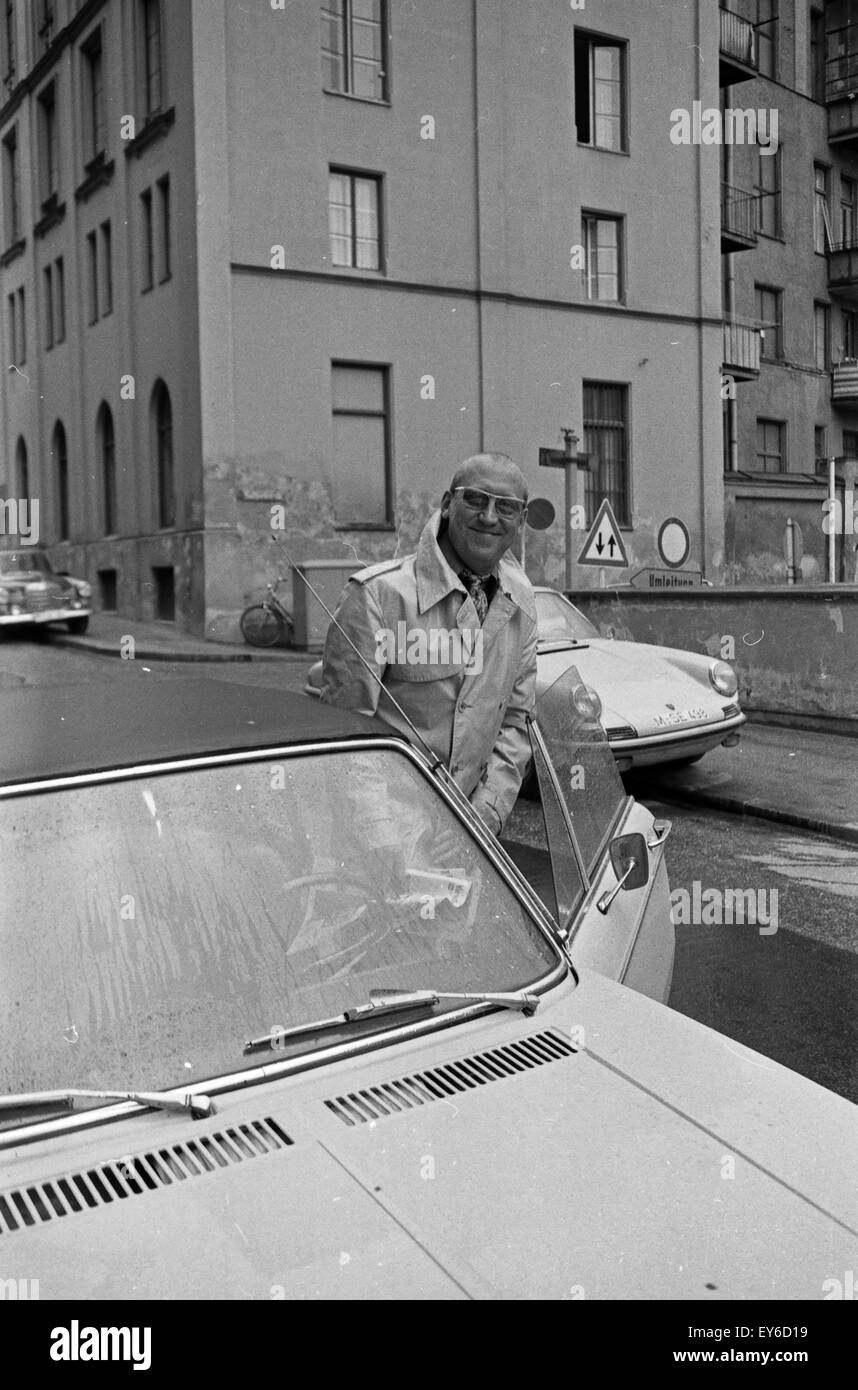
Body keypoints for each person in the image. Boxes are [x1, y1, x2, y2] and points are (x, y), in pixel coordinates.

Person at [320, 453, 537, 838]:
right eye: (475, 499)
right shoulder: (376, 596)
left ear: (520, 521)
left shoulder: (520, 599)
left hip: (473, 837)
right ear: (447, 504)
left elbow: (515, 723)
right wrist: (388, 840)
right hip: (384, 837)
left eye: (506, 507)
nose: (489, 517)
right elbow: (344, 742)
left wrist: (485, 816)